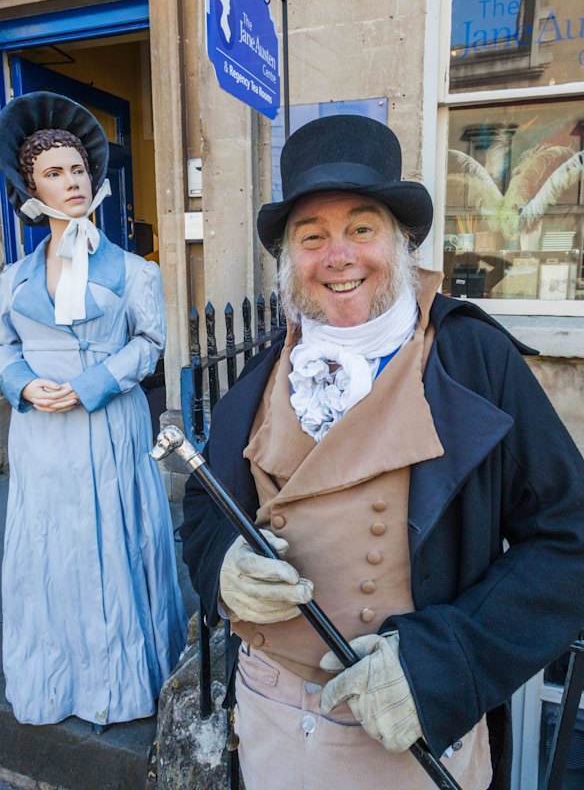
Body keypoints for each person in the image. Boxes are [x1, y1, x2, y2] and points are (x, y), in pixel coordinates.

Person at [181, 114, 584, 789]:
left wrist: (442, 664)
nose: (337, 256)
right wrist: (223, 565)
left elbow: (570, 539)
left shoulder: (472, 361)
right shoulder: (261, 374)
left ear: (401, 242)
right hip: (268, 725)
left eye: (361, 230)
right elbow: (204, 504)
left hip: (406, 740)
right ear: (289, 263)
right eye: (312, 238)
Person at [0, 92, 187, 731]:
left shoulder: (134, 270)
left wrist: (94, 383)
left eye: (77, 169)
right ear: (31, 187)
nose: (71, 181)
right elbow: (4, 348)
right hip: (42, 439)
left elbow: (151, 344)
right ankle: (53, 683)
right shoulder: (10, 277)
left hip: (108, 423)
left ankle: (120, 686)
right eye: (54, 172)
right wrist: (24, 386)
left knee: (113, 541)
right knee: (52, 552)